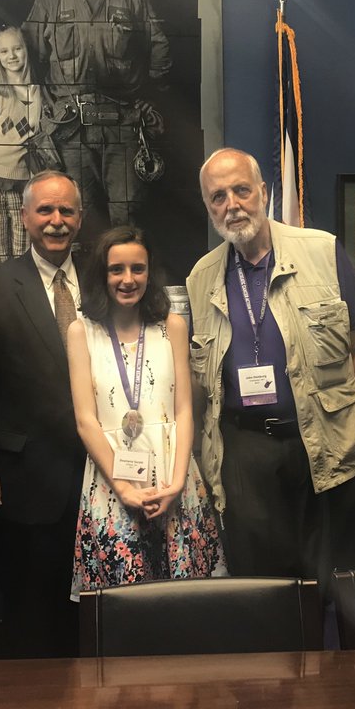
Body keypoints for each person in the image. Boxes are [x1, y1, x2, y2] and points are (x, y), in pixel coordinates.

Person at [185, 148, 355, 583]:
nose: (232, 204)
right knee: (263, 585)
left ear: (263, 192)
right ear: (208, 207)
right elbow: (201, 382)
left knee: (339, 580)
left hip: (329, 441)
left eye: (241, 190)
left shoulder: (322, 251)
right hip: (246, 451)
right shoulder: (201, 278)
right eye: (218, 196)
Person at [0, 170, 87, 657]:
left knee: (95, 608)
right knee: (32, 612)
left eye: (66, 211)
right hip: (24, 478)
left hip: (102, 475)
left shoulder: (105, 281)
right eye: (45, 210)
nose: (57, 220)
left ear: (80, 218)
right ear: (26, 217)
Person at [68, 226, 224, 595]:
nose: (128, 279)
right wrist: (123, 489)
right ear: (102, 274)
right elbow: (86, 421)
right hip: (111, 487)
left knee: (184, 601)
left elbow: (184, 411)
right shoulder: (81, 331)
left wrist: (176, 483)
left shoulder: (172, 326)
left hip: (174, 479)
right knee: (120, 602)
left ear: (150, 273)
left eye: (138, 268)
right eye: (116, 269)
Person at [23, 0, 171, 243]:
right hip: (71, 130)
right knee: (77, 217)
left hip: (123, 126)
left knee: (127, 219)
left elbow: (158, 45)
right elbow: (27, 56)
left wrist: (149, 96)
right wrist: (47, 108)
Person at [0, 24, 63, 266]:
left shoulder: (39, 90)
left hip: (26, 179)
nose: (12, 56)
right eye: (4, 51)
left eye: (17, 49)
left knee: (22, 246)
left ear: (25, 50)